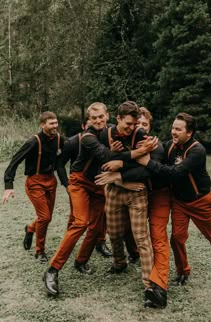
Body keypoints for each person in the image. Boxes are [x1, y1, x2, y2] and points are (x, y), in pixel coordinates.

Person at [43, 102, 155, 296]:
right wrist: (139, 152)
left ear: (108, 116)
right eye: (93, 118)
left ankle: (81, 261)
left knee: (97, 227)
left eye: (101, 117)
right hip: (80, 181)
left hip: (99, 184)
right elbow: (106, 155)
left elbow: (119, 151)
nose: (98, 121)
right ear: (88, 120)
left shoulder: (112, 131)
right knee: (80, 222)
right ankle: (52, 270)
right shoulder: (87, 137)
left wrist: (131, 150)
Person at [137, 112, 211, 287]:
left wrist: (147, 163)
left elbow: (175, 173)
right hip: (180, 202)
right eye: (173, 128)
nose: (173, 132)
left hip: (200, 202)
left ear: (189, 133)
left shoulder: (197, 151)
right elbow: (158, 152)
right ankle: (183, 272)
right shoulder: (170, 146)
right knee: (177, 238)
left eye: (178, 129)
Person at [96, 106, 171, 309]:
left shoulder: (143, 137)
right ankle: (119, 262)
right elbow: (104, 162)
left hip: (138, 192)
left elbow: (145, 170)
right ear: (117, 118)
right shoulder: (106, 133)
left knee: (141, 238)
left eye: (136, 124)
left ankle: (149, 284)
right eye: (128, 123)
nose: (133, 128)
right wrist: (124, 166)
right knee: (114, 232)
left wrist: (120, 167)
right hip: (113, 190)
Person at [2, 111, 64, 263]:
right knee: (45, 217)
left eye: (56, 123)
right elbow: (14, 161)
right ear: (43, 125)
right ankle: (40, 251)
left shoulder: (59, 139)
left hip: (51, 181)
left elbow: (73, 148)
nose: (55, 126)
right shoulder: (33, 141)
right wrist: (8, 185)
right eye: (51, 123)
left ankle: (30, 228)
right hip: (34, 182)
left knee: (46, 218)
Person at [58, 116, 112, 257]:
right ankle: (68, 245)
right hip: (78, 182)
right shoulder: (73, 142)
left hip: (97, 182)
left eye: (100, 121)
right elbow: (59, 164)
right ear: (84, 127)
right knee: (78, 220)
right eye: (91, 124)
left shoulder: (105, 135)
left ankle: (100, 243)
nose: (96, 125)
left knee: (100, 217)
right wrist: (67, 185)